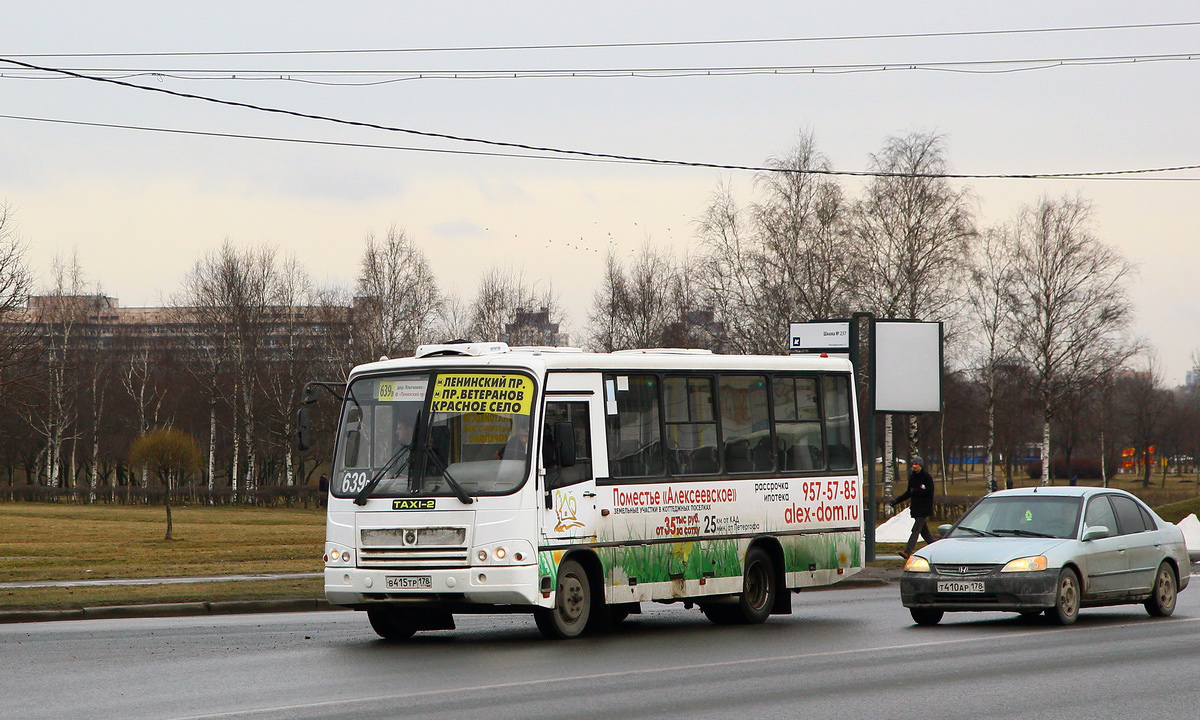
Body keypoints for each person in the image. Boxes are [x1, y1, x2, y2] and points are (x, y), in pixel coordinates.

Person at [891, 455, 935, 560]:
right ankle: (936, 548)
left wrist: (917, 491)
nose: (914, 466)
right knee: (925, 533)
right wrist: (897, 501)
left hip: (923, 509)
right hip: (915, 508)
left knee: (915, 530)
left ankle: (907, 552)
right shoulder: (912, 477)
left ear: (921, 465)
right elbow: (908, 493)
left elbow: (930, 492)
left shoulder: (926, 477)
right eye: (913, 464)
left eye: (916, 464)